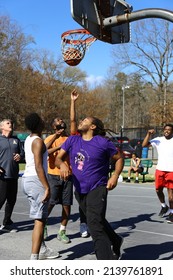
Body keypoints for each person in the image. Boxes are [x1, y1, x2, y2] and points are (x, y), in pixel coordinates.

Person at [55, 116, 124, 260]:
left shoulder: (103, 142)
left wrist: (115, 176)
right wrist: (62, 165)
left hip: (97, 187)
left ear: (93, 127)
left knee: (94, 225)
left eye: (85, 120)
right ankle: (115, 240)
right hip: (79, 189)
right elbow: (58, 158)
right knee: (97, 220)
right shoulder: (73, 140)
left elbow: (119, 158)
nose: (81, 121)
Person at [22, 113, 59, 260]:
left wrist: (58, 141)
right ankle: (34, 258)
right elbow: (38, 165)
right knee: (40, 220)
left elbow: (43, 151)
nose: (44, 121)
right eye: (41, 120)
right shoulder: (37, 141)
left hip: (27, 179)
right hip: (36, 180)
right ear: (38, 124)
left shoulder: (30, 139)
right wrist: (47, 187)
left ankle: (42, 248)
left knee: (40, 217)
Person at [44, 117, 73, 244]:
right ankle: (43, 225)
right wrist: (58, 144)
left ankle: (62, 231)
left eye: (62, 120)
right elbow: (44, 151)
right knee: (50, 203)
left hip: (68, 175)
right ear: (54, 126)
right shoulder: (50, 138)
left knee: (66, 204)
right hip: (53, 175)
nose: (61, 121)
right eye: (57, 120)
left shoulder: (70, 138)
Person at [142, 124, 173, 223]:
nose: (167, 131)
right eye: (165, 129)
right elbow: (144, 145)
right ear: (163, 130)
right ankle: (164, 206)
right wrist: (148, 134)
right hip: (160, 169)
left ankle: (172, 213)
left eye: (169, 130)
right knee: (158, 189)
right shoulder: (159, 140)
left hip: (171, 170)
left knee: (171, 193)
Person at [70, 89, 89, 238]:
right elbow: (72, 121)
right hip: (78, 177)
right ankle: (84, 223)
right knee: (82, 202)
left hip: (92, 177)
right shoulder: (76, 137)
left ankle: (91, 223)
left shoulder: (95, 139)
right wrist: (72, 102)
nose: (80, 123)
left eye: (84, 122)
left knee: (93, 205)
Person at [0, 119, 24, 232]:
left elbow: (22, 154)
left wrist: (20, 156)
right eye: (8, 123)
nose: (11, 124)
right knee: (1, 200)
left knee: (11, 200)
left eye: (11, 123)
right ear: (2, 127)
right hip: (2, 177)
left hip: (13, 175)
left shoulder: (16, 140)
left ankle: (7, 222)